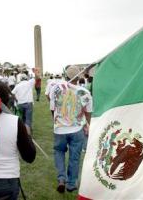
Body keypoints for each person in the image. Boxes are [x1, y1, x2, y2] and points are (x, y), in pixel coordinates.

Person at [0, 81, 36, 200]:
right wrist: (28, 134)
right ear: (7, 100)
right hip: (7, 179)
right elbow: (29, 156)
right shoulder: (15, 121)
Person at [50, 65, 92, 193]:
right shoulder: (84, 92)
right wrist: (89, 125)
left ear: (66, 75)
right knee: (75, 157)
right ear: (78, 76)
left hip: (59, 129)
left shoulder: (56, 88)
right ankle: (71, 184)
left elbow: (52, 108)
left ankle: (62, 178)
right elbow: (88, 112)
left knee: (59, 152)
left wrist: (56, 121)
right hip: (76, 129)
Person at [12, 68, 39, 133]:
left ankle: (23, 132)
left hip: (20, 104)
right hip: (28, 104)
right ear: (26, 78)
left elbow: (12, 93)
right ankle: (28, 134)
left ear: (20, 79)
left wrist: (16, 100)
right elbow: (37, 77)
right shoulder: (29, 83)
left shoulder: (17, 85)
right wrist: (36, 72)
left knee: (22, 119)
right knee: (28, 119)